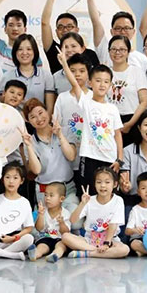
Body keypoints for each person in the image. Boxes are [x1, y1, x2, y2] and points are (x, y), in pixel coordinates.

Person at [59, 50, 123, 191]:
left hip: (109, 158)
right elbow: (74, 84)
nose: (102, 85)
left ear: (110, 85)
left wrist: (119, 159)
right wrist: (64, 63)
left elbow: (118, 135)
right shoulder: (86, 102)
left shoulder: (113, 109)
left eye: (106, 81)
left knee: (108, 194)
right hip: (89, 157)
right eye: (98, 81)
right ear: (90, 82)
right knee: (88, 193)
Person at [22, 99, 77, 212]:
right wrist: (29, 146)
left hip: (67, 189)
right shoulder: (30, 141)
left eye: (40, 113)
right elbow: (36, 170)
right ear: (28, 120)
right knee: (44, 221)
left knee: (75, 219)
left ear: (48, 112)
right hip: (44, 192)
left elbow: (71, 156)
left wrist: (60, 135)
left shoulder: (65, 131)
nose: (39, 119)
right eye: (33, 117)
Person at [62, 167, 130, 259]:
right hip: (89, 240)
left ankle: (88, 254)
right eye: (99, 182)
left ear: (115, 184)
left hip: (110, 240)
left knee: (125, 249)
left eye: (107, 182)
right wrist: (82, 203)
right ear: (95, 184)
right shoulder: (89, 200)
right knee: (65, 236)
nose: (103, 185)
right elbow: (73, 220)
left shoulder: (118, 200)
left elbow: (113, 224)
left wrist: (106, 243)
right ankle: (96, 251)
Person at [40, 0, 100, 74]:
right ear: (56, 32)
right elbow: (45, 23)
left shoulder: (90, 54)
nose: (65, 30)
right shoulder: (54, 50)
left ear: (77, 30)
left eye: (69, 26)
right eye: (60, 27)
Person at [52, 53, 89, 196]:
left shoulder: (93, 97)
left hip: (88, 156)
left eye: (82, 71)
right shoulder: (62, 98)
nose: (77, 75)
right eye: (72, 71)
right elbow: (56, 125)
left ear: (88, 73)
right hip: (67, 157)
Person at [106, 35, 147, 146]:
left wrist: (130, 123)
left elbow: (144, 101)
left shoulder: (136, 71)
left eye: (122, 49)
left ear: (128, 51)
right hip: (109, 121)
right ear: (109, 51)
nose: (117, 52)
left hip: (132, 120)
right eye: (114, 49)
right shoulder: (105, 73)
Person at [0, 34, 55, 115]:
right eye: (20, 49)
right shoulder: (7, 76)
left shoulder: (46, 75)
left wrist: (46, 120)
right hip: (14, 119)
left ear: (34, 51)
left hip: (38, 120)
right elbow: (0, 101)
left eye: (29, 49)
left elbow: (49, 108)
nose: (24, 53)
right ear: (15, 52)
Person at [93, 5, 147, 71]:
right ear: (111, 31)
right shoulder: (105, 51)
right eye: (118, 28)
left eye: (126, 28)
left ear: (133, 32)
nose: (122, 32)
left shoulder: (142, 59)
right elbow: (95, 22)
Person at [28, 182, 71, 262]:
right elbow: (39, 228)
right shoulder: (43, 211)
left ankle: (55, 255)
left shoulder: (65, 213)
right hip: (45, 237)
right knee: (42, 247)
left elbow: (66, 232)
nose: (47, 198)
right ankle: (35, 254)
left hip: (59, 239)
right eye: (45, 195)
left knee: (61, 246)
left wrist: (62, 223)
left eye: (51, 195)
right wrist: (41, 215)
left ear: (61, 199)